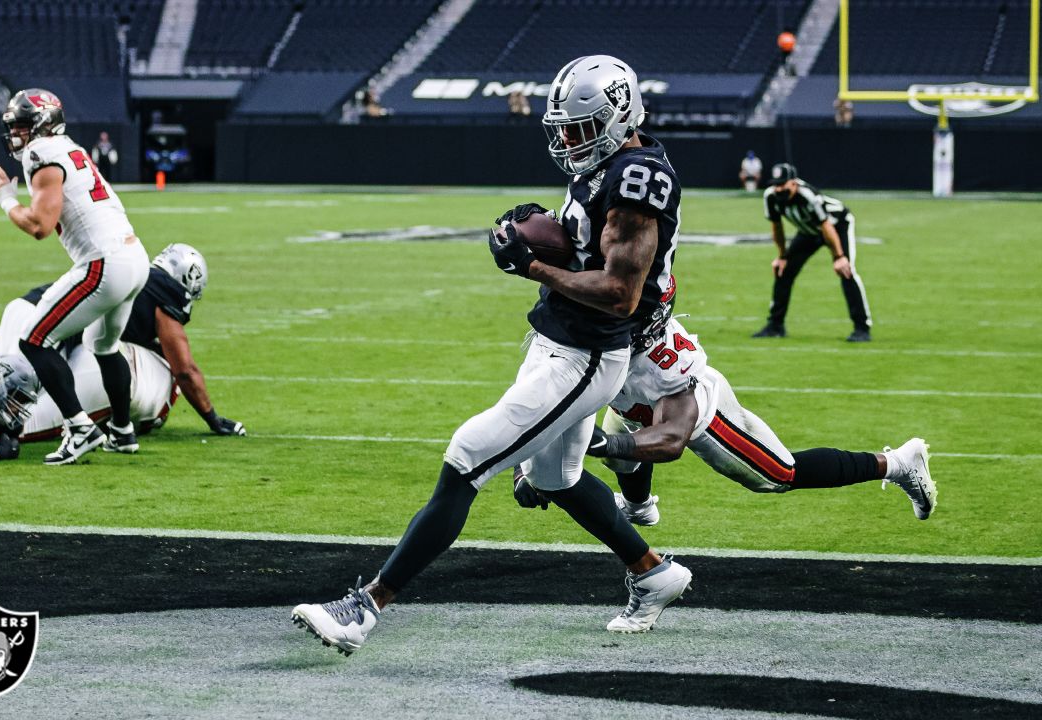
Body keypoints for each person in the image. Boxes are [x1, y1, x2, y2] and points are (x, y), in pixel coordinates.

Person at [291, 55, 692, 655]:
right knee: (557, 477)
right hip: (560, 336)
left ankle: (365, 607)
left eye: (578, 128)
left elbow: (618, 292)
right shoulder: (609, 162)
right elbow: (588, 244)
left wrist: (532, 263)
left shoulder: (638, 180)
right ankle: (652, 571)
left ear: (616, 117)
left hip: (586, 355)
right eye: (562, 126)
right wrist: (546, 229)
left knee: (467, 456)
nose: (566, 140)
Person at [514, 294, 935, 524]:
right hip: (634, 402)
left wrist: (605, 444)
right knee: (622, 454)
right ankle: (640, 507)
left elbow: (671, 438)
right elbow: (539, 403)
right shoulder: (578, 338)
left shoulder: (664, 364)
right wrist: (525, 468)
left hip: (695, 414)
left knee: (777, 476)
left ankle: (898, 463)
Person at [0, 244, 246, 441]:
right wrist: (212, 418)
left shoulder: (133, 273)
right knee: (5, 419)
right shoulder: (164, 293)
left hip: (26, 309)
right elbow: (184, 369)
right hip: (48, 330)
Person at [0, 88, 150, 465]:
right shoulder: (67, 147)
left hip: (103, 262)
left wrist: (5, 199)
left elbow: (40, 226)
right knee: (104, 346)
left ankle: (80, 428)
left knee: (33, 339)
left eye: (23, 126)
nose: (17, 135)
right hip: (134, 256)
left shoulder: (40, 152)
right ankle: (123, 433)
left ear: (42, 124)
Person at [753, 163, 873, 342]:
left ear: (794, 183)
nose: (779, 189)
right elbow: (776, 227)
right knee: (783, 270)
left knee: (846, 271)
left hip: (837, 225)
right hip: (809, 231)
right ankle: (775, 326)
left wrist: (839, 257)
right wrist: (782, 256)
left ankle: (862, 328)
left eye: (783, 184)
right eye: (776, 184)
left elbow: (826, 225)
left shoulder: (807, 195)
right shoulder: (770, 196)